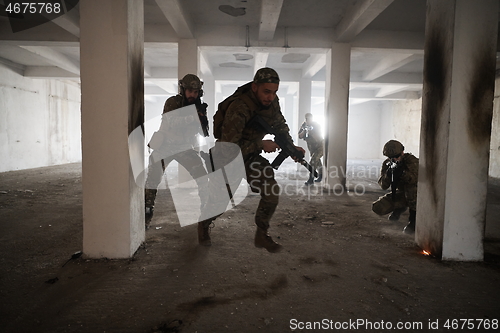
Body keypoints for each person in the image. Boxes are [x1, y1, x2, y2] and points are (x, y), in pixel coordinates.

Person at [216, 67, 305, 253]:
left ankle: (261, 234)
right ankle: (204, 224)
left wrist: (290, 147)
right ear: (255, 87)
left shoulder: (272, 103)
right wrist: (260, 145)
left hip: (251, 158)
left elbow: (280, 126)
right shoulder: (239, 107)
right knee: (220, 202)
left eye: (274, 92)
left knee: (271, 191)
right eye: (266, 91)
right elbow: (228, 149)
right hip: (228, 159)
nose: (270, 97)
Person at [144, 74, 213, 245]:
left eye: (196, 92)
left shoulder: (199, 106)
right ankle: (146, 213)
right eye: (190, 91)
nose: (193, 95)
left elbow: (205, 133)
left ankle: (204, 220)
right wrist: (194, 116)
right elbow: (171, 121)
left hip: (185, 149)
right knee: (152, 181)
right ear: (183, 90)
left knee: (204, 179)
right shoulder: (172, 102)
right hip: (165, 147)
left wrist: (203, 118)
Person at [372, 140, 419, 234]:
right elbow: (383, 186)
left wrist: (402, 173)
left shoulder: (411, 161)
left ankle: (413, 221)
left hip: (416, 194)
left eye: (397, 156)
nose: (395, 160)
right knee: (378, 207)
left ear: (402, 152)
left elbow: (415, 179)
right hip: (402, 194)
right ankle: (400, 207)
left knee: (411, 190)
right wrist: (388, 175)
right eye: (391, 158)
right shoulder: (388, 164)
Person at [298, 113, 324, 185]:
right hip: (311, 147)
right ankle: (321, 176)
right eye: (307, 119)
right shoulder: (303, 125)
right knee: (317, 161)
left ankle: (311, 179)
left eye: (309, 119)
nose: (308, 120)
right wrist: (304, 130)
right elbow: (299, 136)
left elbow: (318, 137)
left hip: (320, 146)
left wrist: (311, 131)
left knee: (313, 161)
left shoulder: (316, 125)